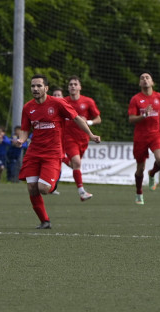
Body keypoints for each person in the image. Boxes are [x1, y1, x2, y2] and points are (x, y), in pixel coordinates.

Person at [13, 74, 100, 229]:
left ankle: (54, 181)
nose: (35, 89)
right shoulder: (28, 107)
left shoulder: (58, 103)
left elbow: (77, 118)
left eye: (39, 86)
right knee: (32, 188)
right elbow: (25, 130)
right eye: (33, 86)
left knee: (43, 188)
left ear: (46, 88)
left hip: (52, 153)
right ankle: (45, 221)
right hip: (34, 152)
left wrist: (91, 135)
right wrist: (21, 140)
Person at [128, 72, 160, 205]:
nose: (145, 80)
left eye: (147, 78)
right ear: (140, 83)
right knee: (140, 168)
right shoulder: (135, 99)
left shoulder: (159, 97)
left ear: (152, 82)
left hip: (155, 135)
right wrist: (143, 115)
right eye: (142, 78)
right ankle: (139, 192)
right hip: (140, 137)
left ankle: (152, 174)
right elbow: (131, 119)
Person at [63, 76, 101, 201]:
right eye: (70, 84)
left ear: (80, 87)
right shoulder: (64, 102)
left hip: (84, 139)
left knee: (75, 164)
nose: (73, 86)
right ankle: (81, 191)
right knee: (77, 163)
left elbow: (98, 119)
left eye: (75, 84)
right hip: (68, 137)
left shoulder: (88, 101)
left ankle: (61, 157)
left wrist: (88, 122)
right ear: (68, 88)